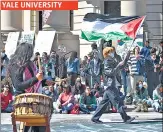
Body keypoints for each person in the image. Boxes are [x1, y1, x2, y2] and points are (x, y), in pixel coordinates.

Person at [8, 43, 47, 132]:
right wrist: (36, 78)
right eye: (30, 52)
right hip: (22, 100)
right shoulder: (15, 65)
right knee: (37, 123)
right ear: (25, 52)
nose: (32, 54)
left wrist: (43, 82)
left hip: (33, 100)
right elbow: (18, 85)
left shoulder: (30, 64)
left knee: (39, 124)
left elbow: (33, 81)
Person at [91, 47, 135, 124]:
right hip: (110, 85)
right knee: (118, 102)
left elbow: (121, 66)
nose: (113, 52)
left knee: (103, 103)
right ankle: (126, 118)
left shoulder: (111, 60)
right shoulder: (107, 61)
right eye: (111, 51)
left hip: (110, 85)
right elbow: (111, 72)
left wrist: (126, 57)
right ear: (107, 53)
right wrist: (118, 65)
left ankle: (95, 117)